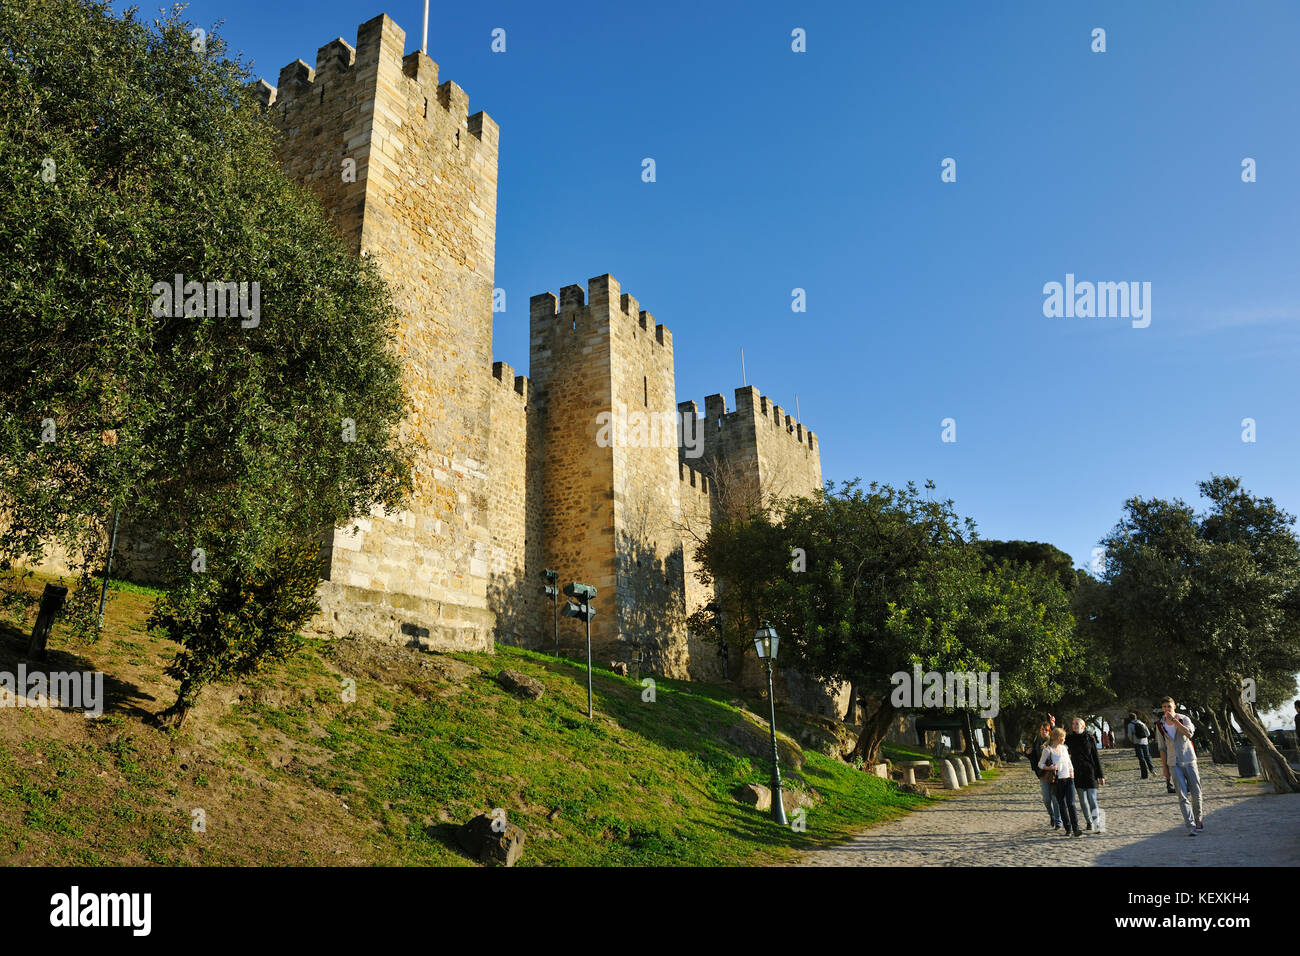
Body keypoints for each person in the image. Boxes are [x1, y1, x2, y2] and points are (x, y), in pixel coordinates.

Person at [1157, 696, 1204, 836]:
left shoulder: (1184, 719)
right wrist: (1165, 768)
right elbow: (1162, 747)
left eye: (1169, 706)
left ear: (1174, 706)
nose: (1167, 709)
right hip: (1173, 763)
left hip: (1189, 760)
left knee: (1196, 793)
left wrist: (1175, 721)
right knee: (1182, 795)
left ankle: (1198, 819)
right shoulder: (1160, 725)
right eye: (1164, 707)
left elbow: (1189, 734)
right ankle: (1190, 826)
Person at [1039, 727, 1082, 837]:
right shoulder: (1048, 750)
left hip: (1069, 779)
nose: (1064, 739)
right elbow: (1040, 764)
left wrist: (1072, 772)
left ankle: (1076, 829)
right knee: (1062, 804)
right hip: (1057, 781)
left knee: (1071, 804)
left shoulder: (1064, 748)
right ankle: (1068, 828)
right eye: (1063, 738)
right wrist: (1050, 768)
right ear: (1058, 738)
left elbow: (1068, 761)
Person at [1066, 718, 1105, 831]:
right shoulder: (1070, 738)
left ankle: (1098, 824)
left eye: (1077, 724)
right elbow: (1058, 738)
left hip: (1090, 772)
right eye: (1073, 724)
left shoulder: (1090, 738)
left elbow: (1096, 757)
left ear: (1083, 726)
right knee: (1083, 801)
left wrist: (1101, 775)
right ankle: (1089, 822)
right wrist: (1053, 726)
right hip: (1077, 773)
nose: (1074, 725)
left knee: (1092, 799)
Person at [1028, 721, 1062, 829]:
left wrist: (1053, 724)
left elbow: (1059, 736)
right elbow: (1034, 757)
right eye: (1042, 730)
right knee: (1046, 800)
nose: (1043, 732)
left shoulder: (1052, 742)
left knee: (1055, 799)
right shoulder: (1037, 742)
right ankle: (1052, 816)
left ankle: (1058, 821)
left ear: (1049, 731)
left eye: (1046, 730)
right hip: (1043, 774)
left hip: (1054, 773)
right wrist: (1028, 753)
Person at [1127, 711, 1156, 779]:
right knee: (1147, 757)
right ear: (1136, 717)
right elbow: (1148, 733)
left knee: (1141, 759)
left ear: (1130, 718)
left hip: (1137, 742)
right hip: (1145, 742)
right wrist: (1145, 738)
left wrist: (1133, 740)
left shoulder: (1130, 725)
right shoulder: (1141, 723)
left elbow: (1129, 735)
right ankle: (1152, 770)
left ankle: (1144, 775)